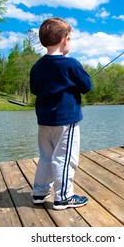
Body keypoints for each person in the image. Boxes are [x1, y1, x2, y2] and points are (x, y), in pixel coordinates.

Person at [30, 17, 93, 210]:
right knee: (65, 158)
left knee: (47, 157)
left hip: (44, 121)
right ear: (65, 39)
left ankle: (39, 193)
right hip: (66, 122)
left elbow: (34, 89)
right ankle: (64, 197)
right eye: (70, 38)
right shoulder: (71, 64)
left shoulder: (37, 66)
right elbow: (87, 86)